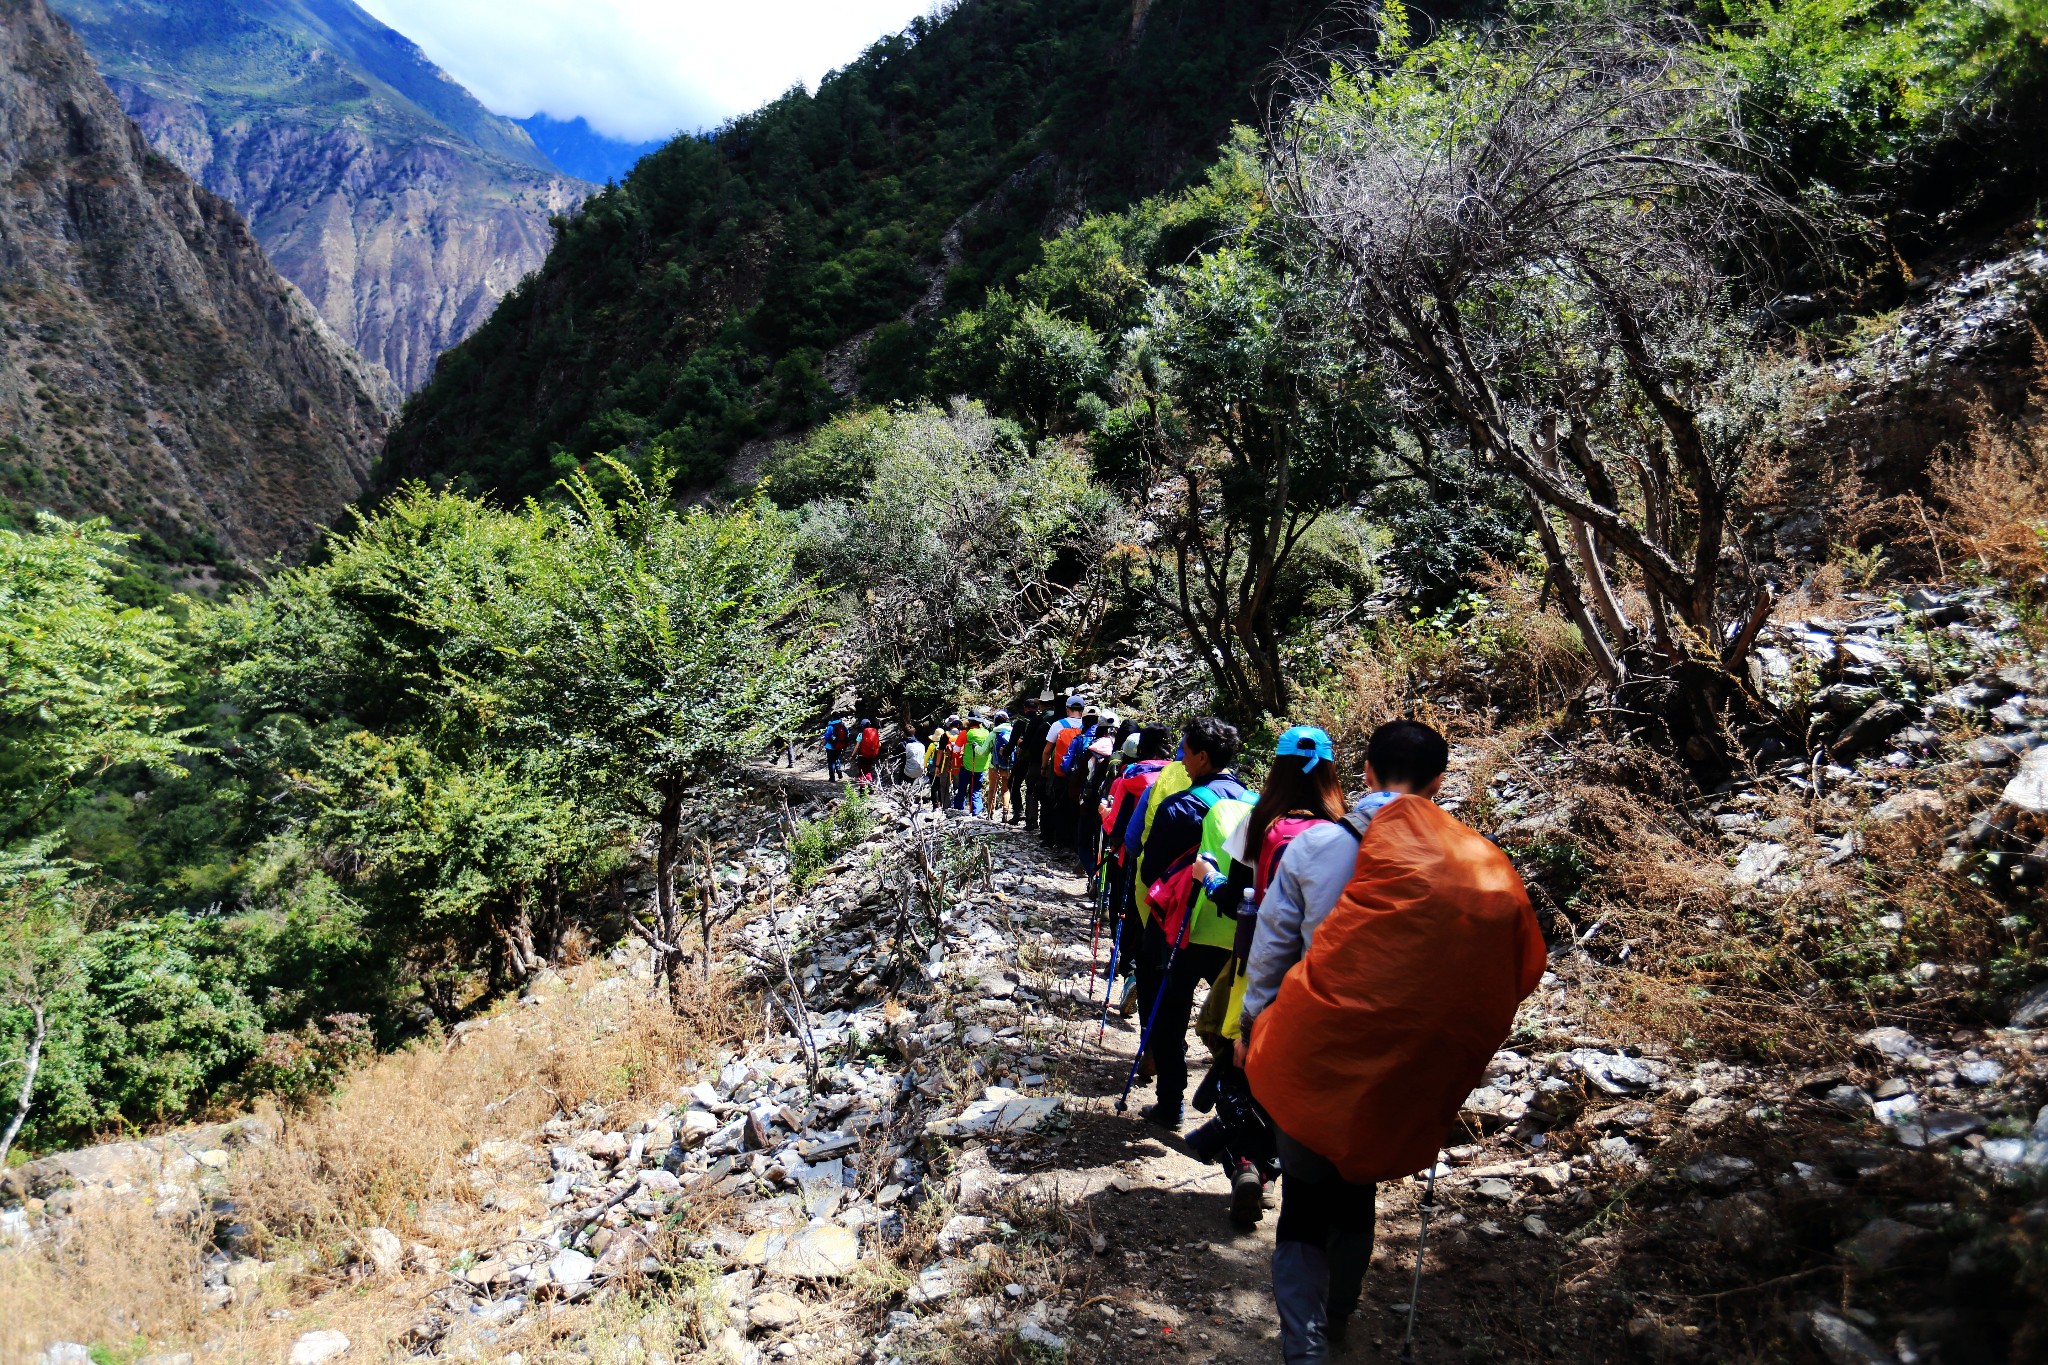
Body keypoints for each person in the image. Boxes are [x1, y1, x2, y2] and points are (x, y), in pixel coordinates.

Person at [1242, 720, 1546, 1364]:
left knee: (1303, 1195)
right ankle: (1341, 1314)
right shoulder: (1469, 863)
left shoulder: (1315, 848)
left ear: (1367, 774)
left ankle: (1304, 1344)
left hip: (1311, 1049)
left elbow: (1268, 957)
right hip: (1399, 1064)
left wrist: (1253, 1033)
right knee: (1357, 1191)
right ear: (1440, 782)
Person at [1184, 726, 1350, 1227]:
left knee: (1238, 1063)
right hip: (1323, 978)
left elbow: (1238, 902)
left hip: (1256, 966)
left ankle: (1248, 1163)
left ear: (1276, 770)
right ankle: (1282, 1165)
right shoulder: (1347, 832)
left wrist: (1207, 877)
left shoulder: (1260, 825)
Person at [1132, 716, 1253, 1131]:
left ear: (1202, 757)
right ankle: (1232, 1114)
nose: (1180, 759)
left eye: (1185, 751)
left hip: (1179, 929)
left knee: (1167, 1014)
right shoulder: (1255, 806)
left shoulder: (1179, 805)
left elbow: (1151, 874)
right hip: (1238, 930)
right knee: (1231, 1022)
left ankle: (1171, 1105)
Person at [1039, 697, 1086, 847]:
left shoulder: (1058, 725)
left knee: (1059, 807)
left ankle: (1059, 842)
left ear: (1067, 709)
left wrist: (1044, 768)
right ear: (1082, 710)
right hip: (1081, 775)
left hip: (1060, 773)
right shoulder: (1088, 726)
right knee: (1076, 809)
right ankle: (1074, 843)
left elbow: (1047, 750)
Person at [1017, 698, 1054, 830]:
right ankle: (1049, 826)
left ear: (1041, 705)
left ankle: (1032, 820)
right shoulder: (1059, 720)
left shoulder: (1037, 720)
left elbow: (1026, 743)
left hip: (1036, 761)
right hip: (1054, 763)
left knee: (1031, 789)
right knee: (1048, 793)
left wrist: (1020, 743)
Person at [956, 714, 995, 814]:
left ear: (969, 721)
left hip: (967, 765)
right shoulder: (987, 733)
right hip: (981, 766)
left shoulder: (966, 733)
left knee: (962, 788)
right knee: (976, 790)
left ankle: (958, 810)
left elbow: (956, 749)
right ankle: (976, 812)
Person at [986, 709, 1015, 821]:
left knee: (992, 789)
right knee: (1006, 789)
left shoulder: (993, 733)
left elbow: (983, 751)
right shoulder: (1012, 732)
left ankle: (990, 813)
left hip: (994, 766)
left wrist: (976, 748)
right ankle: (1005, 813)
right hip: (1008, 766)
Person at [853, 719, 881, 787]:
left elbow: (857, 746)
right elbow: (879, 744)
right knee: (868, 770)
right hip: (871, 755)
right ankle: (870, 784)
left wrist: (852, 755)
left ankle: (862, 788)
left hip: (862, 755)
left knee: (861, 772)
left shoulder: (861, 734)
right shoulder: (874, 732)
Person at [822, 716, 850, 783]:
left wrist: (822, 745)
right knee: (837, 759)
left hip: (830, 747)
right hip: (839, 746)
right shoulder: (842, 725)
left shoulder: (830, 726)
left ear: (832, 718)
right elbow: (847, 734)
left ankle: (832, 778)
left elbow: (827, 736)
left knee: (831, 762)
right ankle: (839, 772)